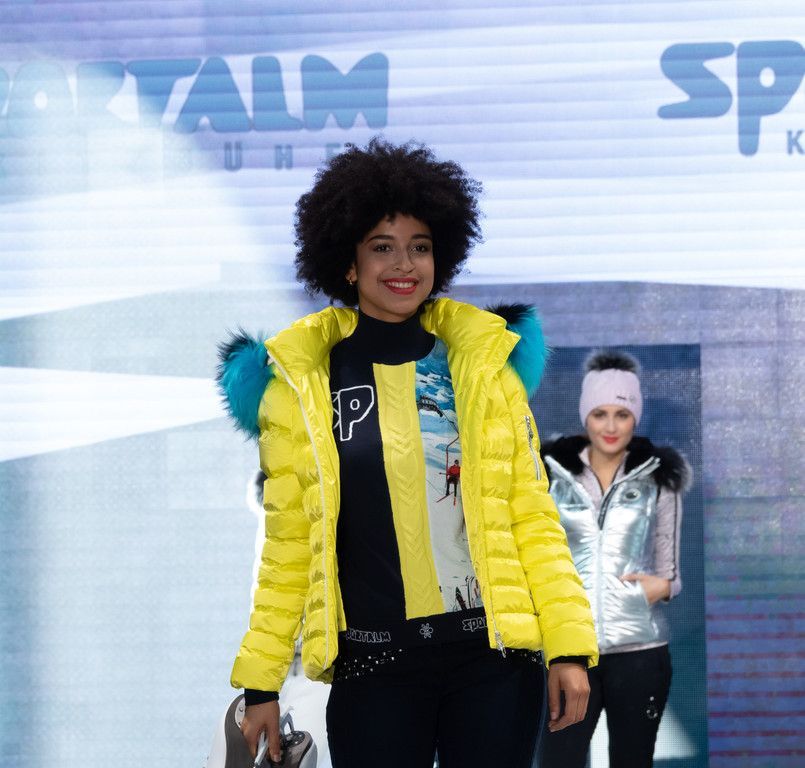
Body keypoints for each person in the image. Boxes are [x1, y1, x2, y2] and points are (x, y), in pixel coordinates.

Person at [217, 138, 598, 768]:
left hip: (493, 662)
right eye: (382, 246)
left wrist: (568, 646)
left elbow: (531, 518)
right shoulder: (301, 387)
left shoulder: (483, 369)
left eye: (420, 246)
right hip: (374, 669)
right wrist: (261, 683)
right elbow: (289, 548)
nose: (404, 264)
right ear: (348, 263)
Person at [539, 351, 691, 768]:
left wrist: (657, 588)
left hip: (640, 653)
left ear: (634, 417)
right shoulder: (551, 474)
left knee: (632, 761)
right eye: (600, 413)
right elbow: (538, 551)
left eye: (621, 414)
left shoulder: (659, 477)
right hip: (569, 649)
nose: (610, 426)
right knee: (559, 761)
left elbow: (671, 573)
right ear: (585, 415)